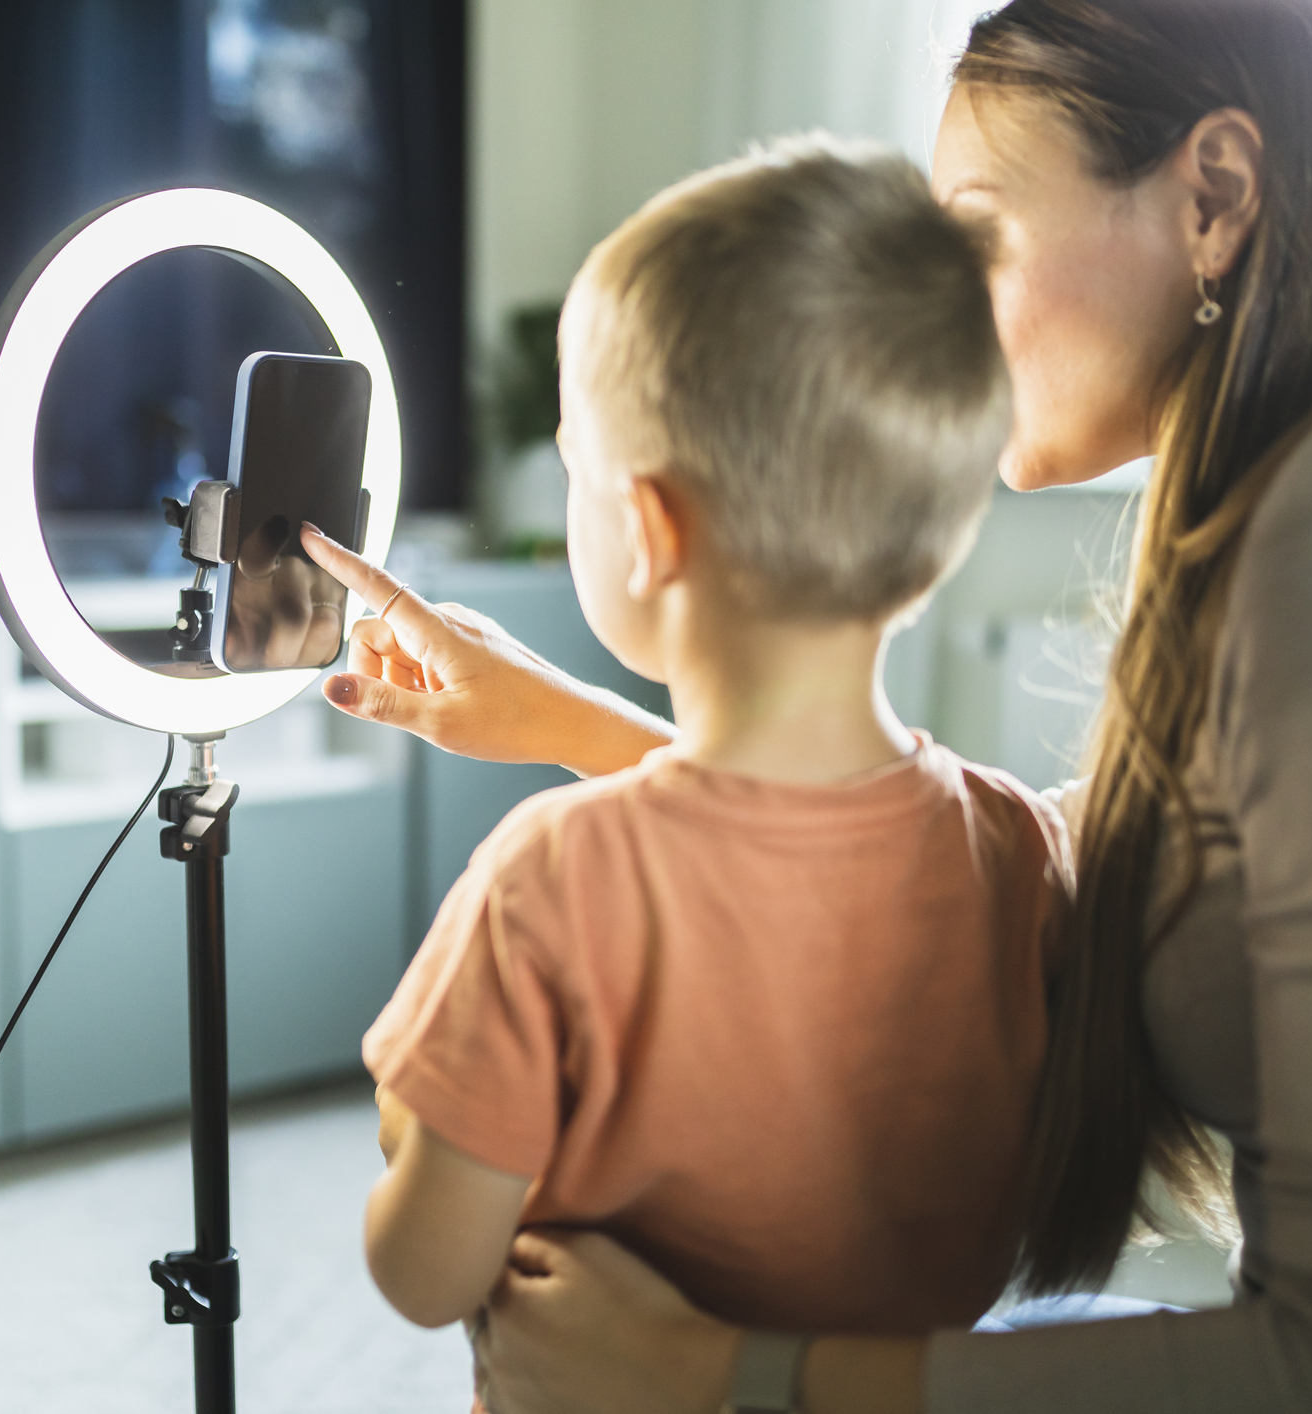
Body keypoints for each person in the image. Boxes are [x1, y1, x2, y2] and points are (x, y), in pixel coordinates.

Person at [301, 0, 1312, 1408]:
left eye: (970, 236)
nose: (933, 314)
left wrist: (725, 1371)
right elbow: (1005, 880)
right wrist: (564, 720)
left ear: (1212, 197)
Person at [355, 139, 1070, 1363]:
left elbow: (424, 1272)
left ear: (646, 531)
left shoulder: (550, 882)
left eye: (575, 462)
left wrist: (412, 1119)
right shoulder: (1013, 844)